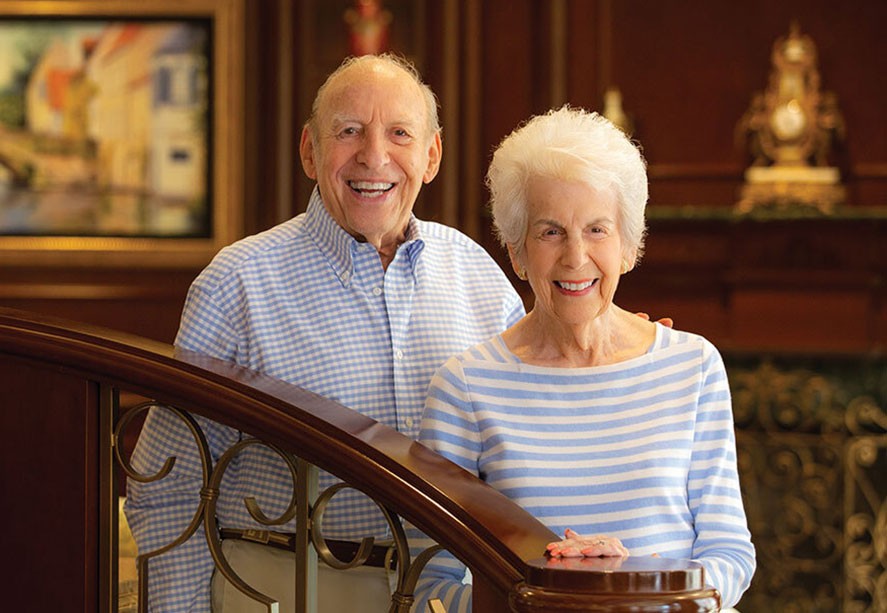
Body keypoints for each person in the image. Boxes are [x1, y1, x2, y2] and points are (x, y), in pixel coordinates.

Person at [124, 53, 527, 612]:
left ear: (431, 155)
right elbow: (166, 489)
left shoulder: (478, 274)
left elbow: (530, 433)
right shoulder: (236, 284)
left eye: (400, 134)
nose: (374, 156)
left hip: (447, 596)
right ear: (310, 152)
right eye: (349, 131)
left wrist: (618, 350)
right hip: (282, 591)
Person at [412, 106, 756, 611]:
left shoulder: (694, 366)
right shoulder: (465, 386)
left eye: (597, 230)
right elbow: (432, 591)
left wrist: (632, 584)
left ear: (628, 247)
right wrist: (558, 598)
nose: (575, 258)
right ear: (517, 251)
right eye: (550, 231)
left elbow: (730, 556)